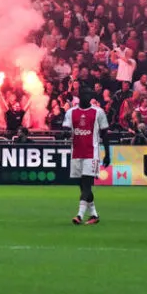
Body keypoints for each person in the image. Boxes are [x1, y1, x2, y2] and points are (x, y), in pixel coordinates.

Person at [64, 92, 109, 225]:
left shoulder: (98, 112)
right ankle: (94, 215)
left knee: (87, 185)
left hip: (92, 153)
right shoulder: (71, 112)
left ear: (90, 99)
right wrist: (66, 133)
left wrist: (107, 153)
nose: (84, 99)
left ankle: (79, 215)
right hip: (76, 153)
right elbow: (65, 128)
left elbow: (105, 133)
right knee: (82, 186)